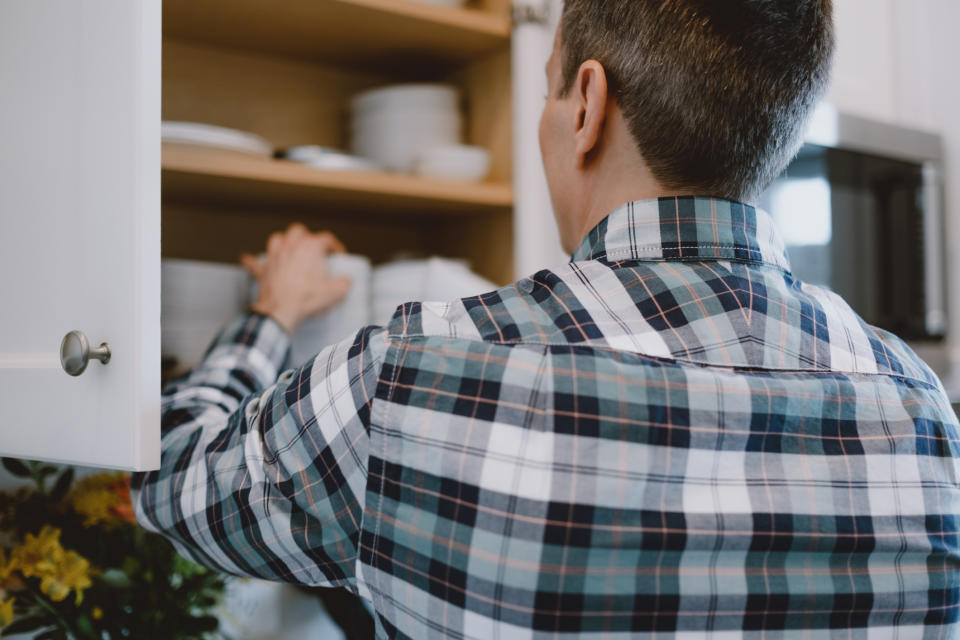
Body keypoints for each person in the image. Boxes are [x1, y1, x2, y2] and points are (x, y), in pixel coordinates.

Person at [133, 0, 960, 637]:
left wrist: (270, 312)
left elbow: (167, 474)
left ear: (586, 105)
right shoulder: (925, 415)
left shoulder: (411, 377)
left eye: (547, 85)